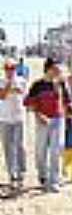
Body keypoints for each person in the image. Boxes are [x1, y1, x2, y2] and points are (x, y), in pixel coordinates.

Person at [24, 58, 71, 193]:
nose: (58, 72)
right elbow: (29, 103)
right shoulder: (37, 85)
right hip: (42, 120)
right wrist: (39, 115)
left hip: (58, 119)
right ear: (48, 69)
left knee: (57, 150)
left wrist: (70, 113)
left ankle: (54, 180)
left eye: (59, 69)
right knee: (41, 150)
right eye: (56, 69)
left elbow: (67, 102)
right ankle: (43, 175)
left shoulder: (61, 84)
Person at [0, 59, 27, 190]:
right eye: (7, 68)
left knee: (19, 146)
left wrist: (13, 87)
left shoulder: (22, 80)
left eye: (12, 68)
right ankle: (12, 174)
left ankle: (21, 172)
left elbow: (22, 94)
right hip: (4, 118)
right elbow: (2, 95)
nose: (9, 70)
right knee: (7, 147)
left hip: (18, 117)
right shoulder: (1, 81)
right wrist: (9, 85)